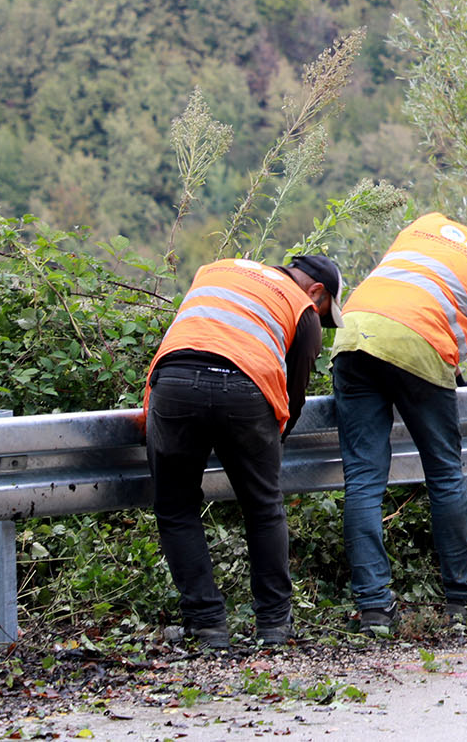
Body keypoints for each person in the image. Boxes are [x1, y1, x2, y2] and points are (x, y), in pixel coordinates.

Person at [331, 211, 467, 633]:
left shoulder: (426, 226)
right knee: (446, 475)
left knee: (361, 479)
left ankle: (374, 609)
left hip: (354, 335)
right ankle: (464, 602)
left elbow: (413, 297)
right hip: (418, 348)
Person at [145, 253, 343, 650]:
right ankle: (272, 625)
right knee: (263, 506)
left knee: (176, 506)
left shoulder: (214, 268)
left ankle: (207, 627)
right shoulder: (301, 307)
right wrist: (269, 447)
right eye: (325, 314)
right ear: (316, 292)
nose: (319, 321)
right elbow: (294, 394)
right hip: (246, 388)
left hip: (175, 380)